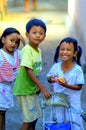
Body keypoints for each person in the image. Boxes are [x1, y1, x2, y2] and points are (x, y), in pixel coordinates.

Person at [13, 18, 52, 130]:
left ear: (44, 36)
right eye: (34, 33)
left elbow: (36, 71)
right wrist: (43, 88)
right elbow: (28, 70)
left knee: (34, 118)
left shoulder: (38, 50)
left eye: (41, 33)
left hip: (31, 90)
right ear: (27, 34)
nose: (38, 35)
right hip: (24, 90)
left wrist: (37, 87)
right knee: (28, 120)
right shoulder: (27, 50)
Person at [47, 37, 85, 130]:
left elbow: (79, 86)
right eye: (62, 49)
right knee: (58, 123)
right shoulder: (56, 66)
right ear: (59, 50)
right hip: (58, 102)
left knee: (73, 122)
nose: (64, 52)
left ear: (75, 53)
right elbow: (48, 77)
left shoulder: (77, 70)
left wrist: (66, 85)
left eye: (68, 50)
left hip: (72, 103)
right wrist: (50, 79)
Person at [0, 27, 25, 130]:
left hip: (9, 88)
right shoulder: (1, 55)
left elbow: (28, 55)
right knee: (1, 112)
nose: (14, 44)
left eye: (16, 41)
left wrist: (24, 42)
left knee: (3, 112)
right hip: (1, 87)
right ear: (3, 40)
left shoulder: (18, 53)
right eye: (11, 40)